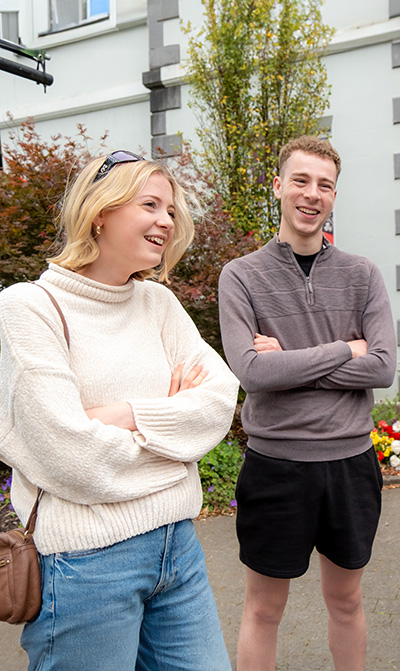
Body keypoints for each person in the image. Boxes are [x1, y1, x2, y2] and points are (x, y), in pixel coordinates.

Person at [0, 151, 239, 670]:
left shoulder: (159, 305)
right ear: (100, 211)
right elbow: (70, 456)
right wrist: (173, 427)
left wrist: (123, 414)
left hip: (179, 551)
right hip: (86, 567)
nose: (166, 221)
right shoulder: (29, 307)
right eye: (150, 204)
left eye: (171, 210)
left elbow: (219, 400)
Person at [218, 135, 396, 671]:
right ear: (277, 186)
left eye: (324, 185)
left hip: (349, 466)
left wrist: (288, 362)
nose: (311, 194)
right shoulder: (241, 276)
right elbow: (252, 372)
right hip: (276, 468)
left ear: (334, 196)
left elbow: (384, 367)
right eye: (300, 180)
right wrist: (346, 349)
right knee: (264, 610)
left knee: (346, 600)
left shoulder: (362, 274)